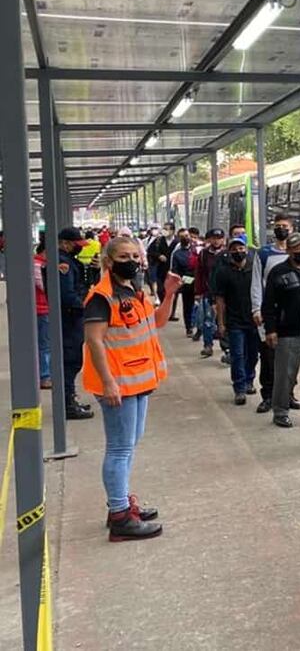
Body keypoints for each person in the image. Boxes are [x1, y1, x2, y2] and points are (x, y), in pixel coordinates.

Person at [83, 236, 180, 541]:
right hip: (118, 385)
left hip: (138, 381)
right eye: (124, 256)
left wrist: (169, 295)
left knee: (130, 442)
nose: (133, 261)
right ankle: (120, 515)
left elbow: (157, 323)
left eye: (136, 255)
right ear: (109, 262)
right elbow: (94, 340)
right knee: (119, 448)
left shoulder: (136, 291)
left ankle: (122, 500)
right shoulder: (102, 297)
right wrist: (109, 382)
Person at [262, 232, 300, 428]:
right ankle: (280, 411)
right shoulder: (278, 272)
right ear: (288, 250)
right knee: (285, 375)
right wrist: (270, 330)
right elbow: (268, 304)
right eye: (296, 247)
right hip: (287, 332)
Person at [251, 214, 294, 414]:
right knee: (268, 356)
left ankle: (288, 394)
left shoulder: (297, 252)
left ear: (291, 229)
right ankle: (268, 395)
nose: (281, 229)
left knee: (290, 357)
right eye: (277, 226)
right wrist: (257, 308)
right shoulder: (263, 254)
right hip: (269, 313)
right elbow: (257, 283)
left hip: (291, 314)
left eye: (284, 226)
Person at [215, 238, 259, 405]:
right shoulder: (224, 272)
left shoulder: (254, 269)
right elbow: (220, 299)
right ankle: (239, 388)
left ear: (246, 250)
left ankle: (249, 379)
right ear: (229, 251)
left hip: (254, 320)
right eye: (234, 249)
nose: (238, 251)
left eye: (241, 247)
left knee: (253, 354)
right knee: (238, 355)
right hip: (234, 321)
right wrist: (220, 322)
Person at [57, 227, 94, 420]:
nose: (79, 248)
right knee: (70, 360)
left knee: (72, 360)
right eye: (76, 245)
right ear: (64, 243)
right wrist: (84, 305)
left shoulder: (69, 261)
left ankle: (70, 400)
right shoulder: (63, 264)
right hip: (70, 318)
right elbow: (67, 295)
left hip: (73, 317)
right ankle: (67, 404)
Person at [195, 228, 226, 358]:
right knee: (208, 319)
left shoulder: (227, 254)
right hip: (209, 292)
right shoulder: (204, 254)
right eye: (213, 238)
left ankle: (226, 348)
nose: (216, 241)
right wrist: (198, 291)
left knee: (225, 320)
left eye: (219, 238)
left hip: (225, 293)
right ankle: (208, 345)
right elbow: (199, 274)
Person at [169, 228, 199, 337]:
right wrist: (187, 280)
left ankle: (199, 327)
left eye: (187, 236)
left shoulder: (197, 250)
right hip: (187, 283)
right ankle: (189, 327)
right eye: (182, 236)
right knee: (188, 305)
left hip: (200, 282)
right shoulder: (177, 254)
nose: (185, 238)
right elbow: (176, 272)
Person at [148, 222, 179, 315]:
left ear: (173, 231)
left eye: (167, 229)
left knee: (173, 292)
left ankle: (171, 312)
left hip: (174, 271)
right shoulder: (158, 241)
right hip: (161, 270)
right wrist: (159, 255)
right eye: (164, 229)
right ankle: (163, 306)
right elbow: (150, 251)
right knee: (161, 290)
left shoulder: (177, 242)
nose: (165, 231)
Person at [33, 243, 51, 390]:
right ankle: (44, 377)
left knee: (45, 344)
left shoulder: (40, 264)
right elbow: (45, 287)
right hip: (42, 309)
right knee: (45, 345)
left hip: (44, 308)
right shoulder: (38, 265)